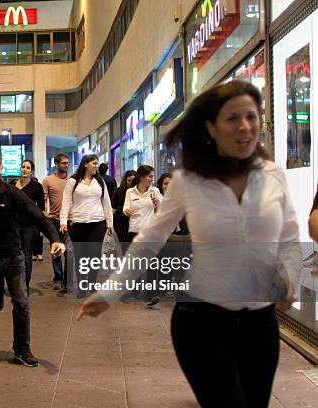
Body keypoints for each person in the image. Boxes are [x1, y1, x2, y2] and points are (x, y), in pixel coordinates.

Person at [79, 80, 300, 408]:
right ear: (211, 127)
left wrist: (289, 277)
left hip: (260, 324)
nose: (245, 126)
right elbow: (150, 239)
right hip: (202, 323)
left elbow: (291, 239)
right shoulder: (188, 180)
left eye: (252, 117)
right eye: (232, 118)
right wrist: (111, 291)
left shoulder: (272, 174)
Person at [0, 148, 65, 367]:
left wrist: (55, 239)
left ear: (1, 168)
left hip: (13, 254)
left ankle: (22, 350)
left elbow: (39, 217)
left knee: (22, 301)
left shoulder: (12, 193)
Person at [59, 154, 113, 298]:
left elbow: (106, 201)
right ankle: (83, 287)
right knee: (81, 256)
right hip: (77, 223)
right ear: (85, 164)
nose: (97, 166)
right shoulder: (73, 181)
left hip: (97, 222)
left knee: (94, 256)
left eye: (97, 163)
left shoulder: (100, 181)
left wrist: (109, 223)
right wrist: (63, 221)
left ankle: (92, 284)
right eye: (94, 163)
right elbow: (66, 201)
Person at [9, 160, 45, 292]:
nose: (24, 169)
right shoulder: (12, 184)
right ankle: (15, 283)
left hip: (29, 226)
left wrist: (40, 227)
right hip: (13, 226)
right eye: (23, 167)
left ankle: (25, 286)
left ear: (32, 171)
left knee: (27, 256)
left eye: (28, 168)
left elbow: (41, 209)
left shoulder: (36, 187)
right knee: (14, 256)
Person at [42, 153, 70, 291]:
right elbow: (44, 199)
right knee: (56, 250)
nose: (66, 165)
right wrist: (45, 214)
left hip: (70, 220)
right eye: (64, 163)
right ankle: (58, 278)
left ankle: (67, 280)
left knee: (69, 251)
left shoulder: (73, 180)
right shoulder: (48, 180)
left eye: (67, 163)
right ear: (56, 164)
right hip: (53, 219)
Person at [112, 170, 135, 243]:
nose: (131, 183)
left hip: (135, 222)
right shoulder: (119, 191)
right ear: (125, 181)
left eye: (133, 180)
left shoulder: (139, 191)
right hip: (120, 223)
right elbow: (113, 207)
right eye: (129, 180)